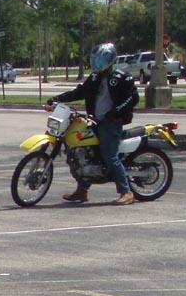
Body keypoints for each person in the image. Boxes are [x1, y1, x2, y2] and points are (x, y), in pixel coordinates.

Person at [47, 43, 140, 206]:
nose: (97, 63)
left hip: (111, 123)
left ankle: (126, 192)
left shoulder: (122, 77)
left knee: (110, 156)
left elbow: (133, 98)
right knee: (82, 151)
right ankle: (82, 190)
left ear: (110, 59)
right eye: (95, 60)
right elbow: (80, 92)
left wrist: (114, 113)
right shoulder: (95, 78)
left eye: (100, 60)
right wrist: (58, 98)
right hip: (95, 120)